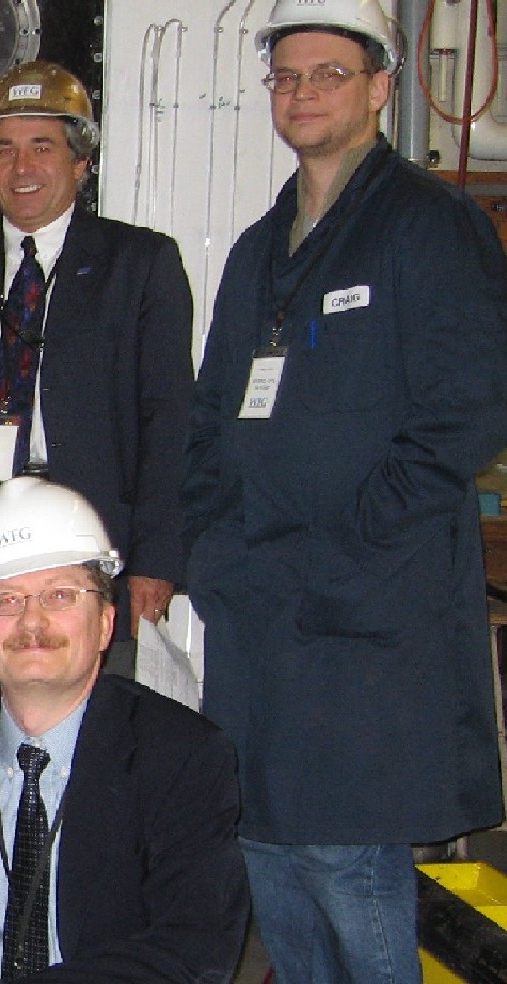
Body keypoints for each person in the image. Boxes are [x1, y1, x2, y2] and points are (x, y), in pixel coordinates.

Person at [183, 1, 507, 980]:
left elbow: (469, 411)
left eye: (327, 73)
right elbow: (211, 417)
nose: (302, 92)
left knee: (350, 864)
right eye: (286, 77)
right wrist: (208, 546)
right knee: (267, 853)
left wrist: (356, 535)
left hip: (371, 621)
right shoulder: (258, 249)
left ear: (379, 87)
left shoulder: (429, 226)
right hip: (261, 621)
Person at [0, 477, 248, 983]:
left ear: (106, 623)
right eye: (6, 601)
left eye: (61, 595)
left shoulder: (182, 756)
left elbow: (192, 952)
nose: (32, 622)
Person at [0, 61, 192, 697]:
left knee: (95, 732)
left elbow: (168, 424)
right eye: (4, 150)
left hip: (93, 541)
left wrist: (157, 561)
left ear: (81, 162)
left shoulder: (140, 266)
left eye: (42, 147)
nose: (22, 168)